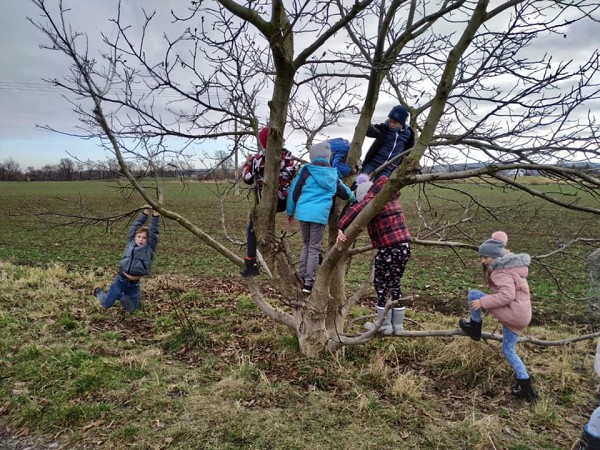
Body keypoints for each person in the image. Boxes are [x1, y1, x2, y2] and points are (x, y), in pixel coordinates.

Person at [458, 231, 537, 402]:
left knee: (474, 295)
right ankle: (526, 387)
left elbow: (507, 295)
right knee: (508, 349)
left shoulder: (500, 271)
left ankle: (475, 328)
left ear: (494, 256)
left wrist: (484, 302)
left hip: (513, 313)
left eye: (485, 257)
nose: (483, 261)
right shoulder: (514, 266)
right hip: (522, 315)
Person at [337, 173, 412, 335]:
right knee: (394, 284)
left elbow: (353, 212)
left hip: (388, 250)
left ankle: (384, 325)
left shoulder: (371, 201)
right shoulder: (391, 197)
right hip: (404, 247)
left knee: (382, 286)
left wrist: (340, 226)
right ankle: (397, 326)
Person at [287, 142, 354, 293]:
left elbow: (294, 191)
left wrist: (290, 212)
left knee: (306, 244)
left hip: (303, 213)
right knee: (314, 248)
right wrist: (353, 196)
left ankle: (303, 275)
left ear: (312, 156)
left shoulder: (306, 170)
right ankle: (309, 283)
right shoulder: (333, 174)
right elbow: (344, 193)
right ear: (328, 157)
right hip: (319, 216)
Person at [241, 126, 296, 277]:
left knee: (252, 227)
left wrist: (247, 163)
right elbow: (293, 175)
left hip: (268, 201)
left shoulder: (258, 159)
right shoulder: (289, 156)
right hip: (285, 200)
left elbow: (247, 179)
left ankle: (251, 262)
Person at [93, 207, 160, 313]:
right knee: (106, 304)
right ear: (135, 237)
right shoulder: (130, 242)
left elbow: (154, 231)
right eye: (138, 237)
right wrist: (145, 212)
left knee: (131, 309)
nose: (140, 240)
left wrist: (155, 215)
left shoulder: (149, 248)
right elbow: (135, 226)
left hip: (134, 284)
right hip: (121, 280)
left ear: (148, 240)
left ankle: (120, 295)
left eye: (144, 238)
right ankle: (98, 291)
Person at [360, 104, 415, 179]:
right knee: (361, 181)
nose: (391, 125)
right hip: (373, 162)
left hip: (389, 167)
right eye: (390, 121)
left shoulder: (408, 135)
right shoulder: (384, 129)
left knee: (379, 187)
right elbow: (371, 131)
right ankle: (355, 190)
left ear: (402, 124)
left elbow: (410, 150)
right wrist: (366, 120)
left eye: (395, 123)